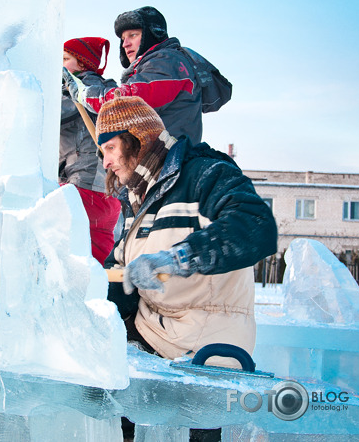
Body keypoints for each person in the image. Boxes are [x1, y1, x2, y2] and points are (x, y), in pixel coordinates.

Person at [97, 92, 277, 440]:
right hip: (155, 336)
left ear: (137, 138)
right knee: (99, 381)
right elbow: (119, 275)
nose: (104, 163)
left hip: (205, 346)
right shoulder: (138, 201)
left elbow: (256, 227)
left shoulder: (205, 173)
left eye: (108, 148)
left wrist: (178, 258)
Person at [64, 6, 231, 147]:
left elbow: (127, 103)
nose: (125, 43)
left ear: (152, 34)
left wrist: (84, 93)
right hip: (154, 166)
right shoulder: (151, 67)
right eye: (123, 38)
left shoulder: (167, 62)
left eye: (133, 35)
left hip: (166, 166)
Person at [60, 37, 121, 265]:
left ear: (83, 65)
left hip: (83, 189)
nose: (58, 65)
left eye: (65, 59)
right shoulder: (105, 90)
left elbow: (49, 114)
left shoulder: (80, 89)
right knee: (95, 270)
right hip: (109, 198)